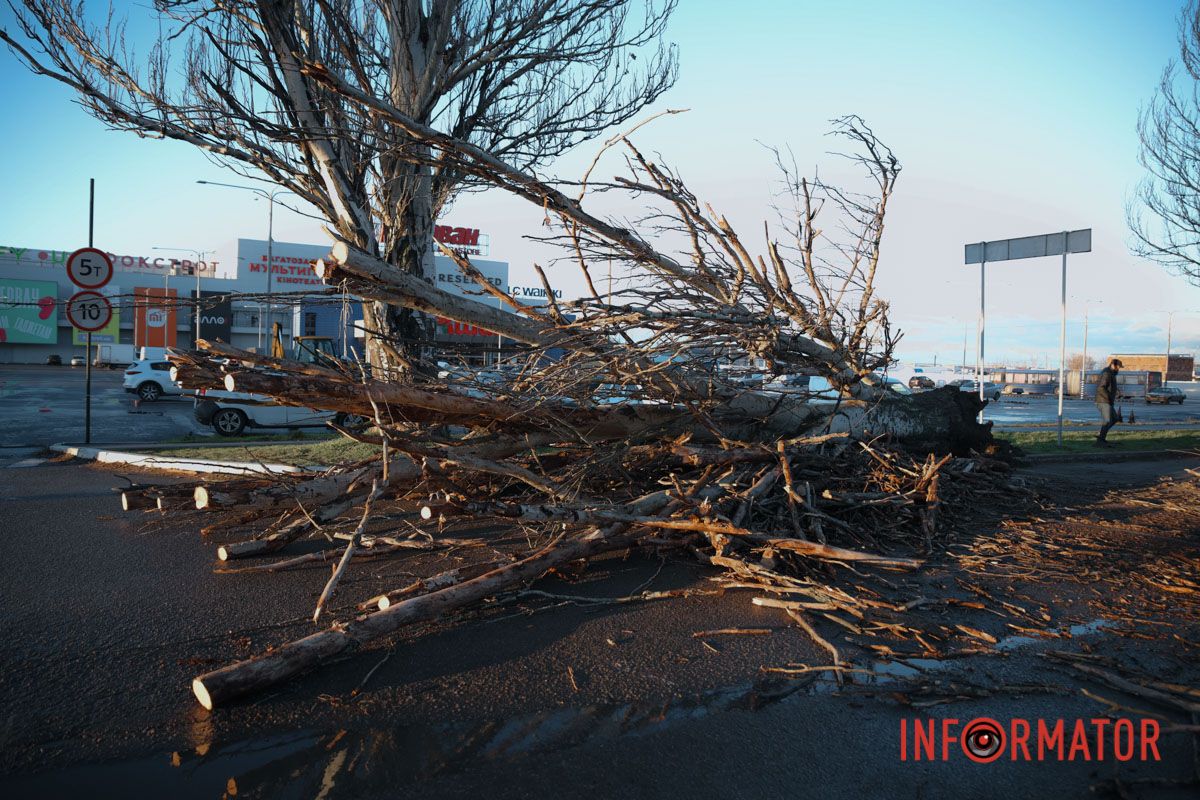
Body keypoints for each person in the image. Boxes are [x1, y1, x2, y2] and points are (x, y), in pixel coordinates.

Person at [1094, 358, 1123, 446]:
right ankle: (1100, 441)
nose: (1119, 369)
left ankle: (1101, 436)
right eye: (1118, 367)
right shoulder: (1107, 373)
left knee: (1114, 418)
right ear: (1113, 365)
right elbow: (1101, 388)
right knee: (1107, 420)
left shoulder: (1111, 373)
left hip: (1108, 401)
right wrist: (1108, 397)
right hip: (1103, 401)